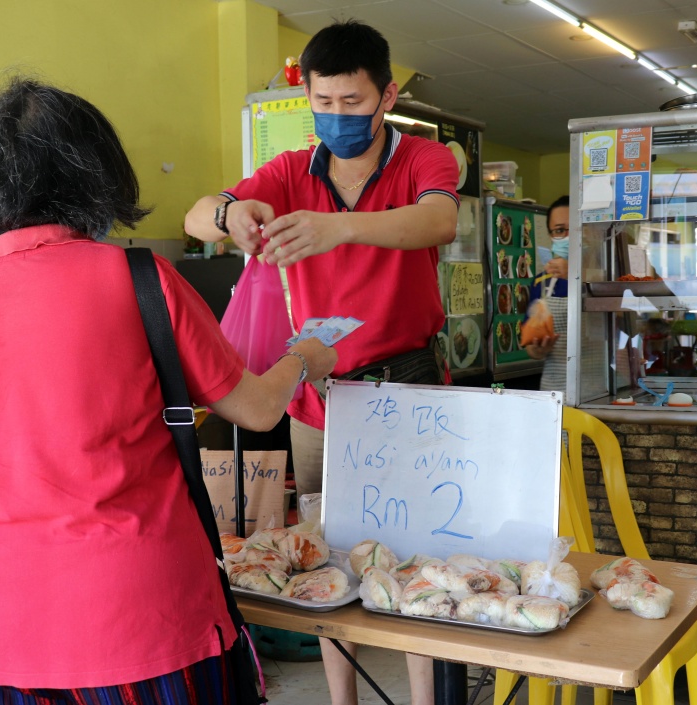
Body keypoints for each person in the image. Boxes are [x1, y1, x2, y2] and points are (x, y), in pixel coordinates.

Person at [0, 78, 337, 704]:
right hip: (141, 611)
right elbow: (258, 409)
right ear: (94, 172)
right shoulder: (139, 277)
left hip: (14, 619)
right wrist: (304, 358)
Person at [184, 19, 458, 705]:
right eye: (323, 103)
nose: (337, 118)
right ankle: (345, 699)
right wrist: (233, 216)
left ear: (387, 95)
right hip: (320, 400)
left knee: (417, 561)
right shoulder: (287, 171)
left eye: (353, 103)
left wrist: (337, 226)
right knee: (328, 559)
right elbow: (197, 213)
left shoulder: (426, 159)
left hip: (410, 388)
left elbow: (438, 221)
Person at [522, 196, 570, 392]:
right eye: (559, 230)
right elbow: (530, 346)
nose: (567, 236)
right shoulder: (542, 282)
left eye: (574, 228)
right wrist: (538, 349)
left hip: (603, 392)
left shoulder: (606, 276)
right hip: (556, 394)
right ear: (551, 236)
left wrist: (578, 275)